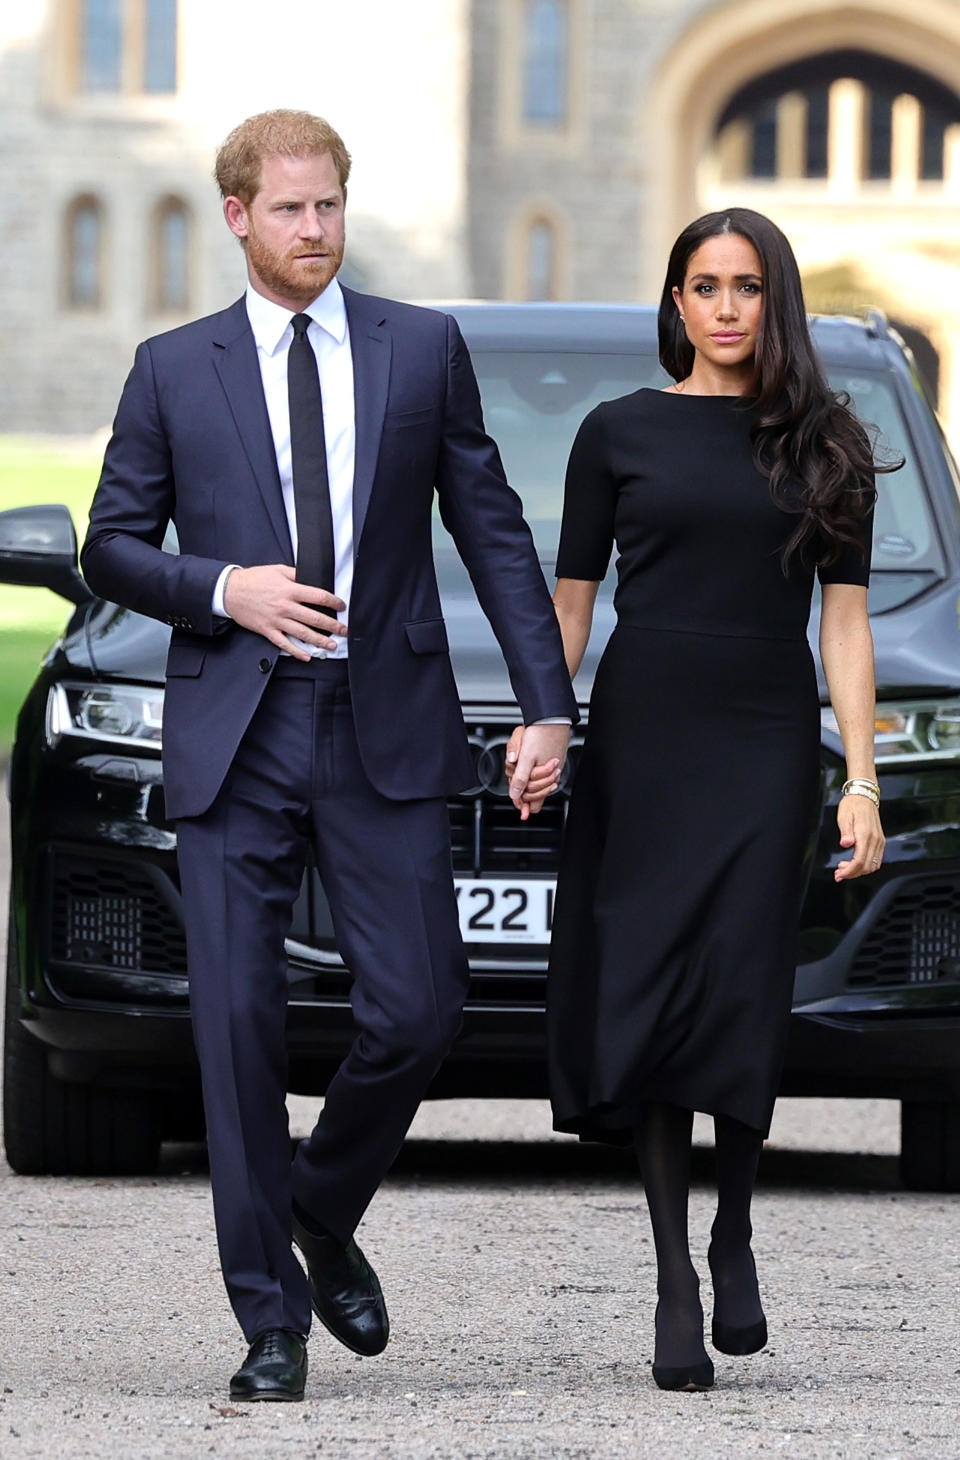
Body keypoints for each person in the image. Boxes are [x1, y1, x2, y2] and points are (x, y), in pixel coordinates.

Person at [81, 109, 575, 1401]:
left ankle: (314, 1199)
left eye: (330, 207)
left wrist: (548, 702)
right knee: (236, 1028)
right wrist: (225, 587)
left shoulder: (422, 350)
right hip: (235, 734)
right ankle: (270, 1324)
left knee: (420, 1008)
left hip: (382, 722)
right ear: (236, 216)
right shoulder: (171, 369)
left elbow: (496, 531)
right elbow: (112, 545)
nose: (314, 230)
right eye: (290, 209)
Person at [509, 207, 888, 1392]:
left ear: (776, 299)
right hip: (645, 740)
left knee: (735, 985)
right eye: (702, 285)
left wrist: (861, 777)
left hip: (765, 743)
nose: (724, 307)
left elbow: (845, 621)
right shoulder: (614, 432)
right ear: (675, 302)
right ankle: (675, 1267)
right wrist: (544, 720)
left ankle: (735, 1225)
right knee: (654, 991)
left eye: (745, 286)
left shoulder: (826, 438)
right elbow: (569, 606)